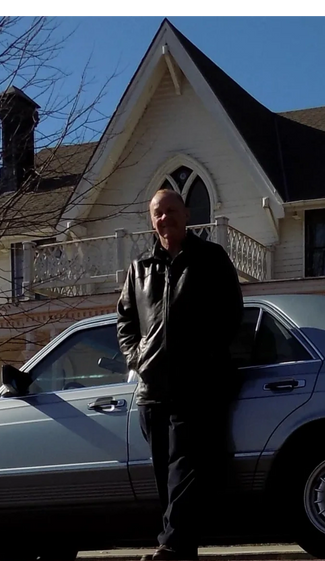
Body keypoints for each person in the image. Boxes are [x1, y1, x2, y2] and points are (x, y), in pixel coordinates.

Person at [116, 189, 244, 561]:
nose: (164, 218)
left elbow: (231, 312)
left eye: (171, 210)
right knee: (164, 474)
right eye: (158, 212)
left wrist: (205, 355)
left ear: (187, 214)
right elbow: (125, 320)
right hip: (153, 388)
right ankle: (181, 549)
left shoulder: (210, 258)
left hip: (198, 384)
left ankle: (171, 545)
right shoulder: (139, 269)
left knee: (184, 467)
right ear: (151, 219)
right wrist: (138, 357)